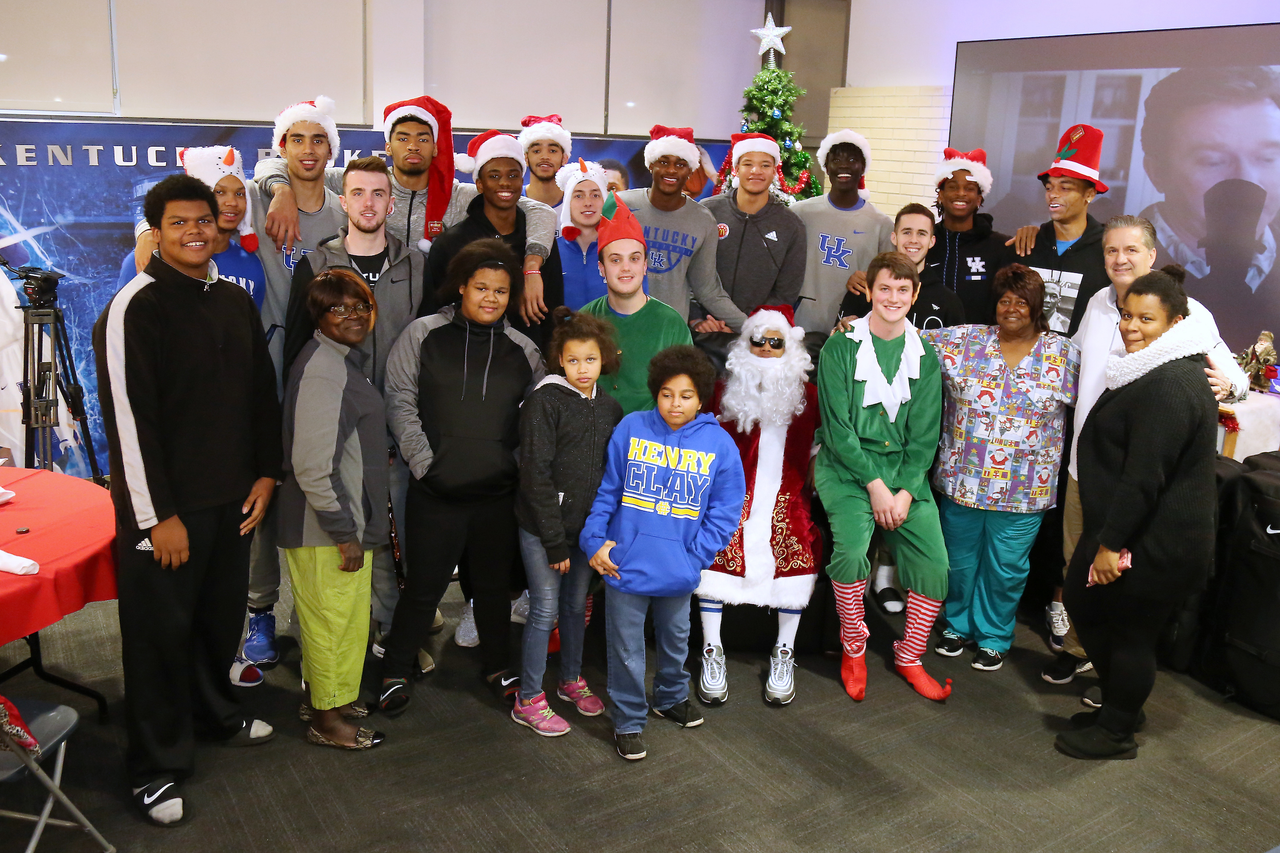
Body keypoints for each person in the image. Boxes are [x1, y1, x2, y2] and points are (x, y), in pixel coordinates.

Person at [93, 174, 281, 826]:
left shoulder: (230, 300)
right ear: (156, 232)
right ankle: (154, 765)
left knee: (215, 622)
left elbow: (260, 394)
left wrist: (266, 473)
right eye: (179, 222)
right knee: (159, 638)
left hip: (232, 499)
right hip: (166, 512)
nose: (196, 231)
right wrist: (156, 519)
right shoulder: (133, 307)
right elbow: (128, 424)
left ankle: (214, 713)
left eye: (204, 219)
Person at [1041, 215, 1248, 685]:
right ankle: (1079, 649)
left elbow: (1233, 376)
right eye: (1111, 250)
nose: (1120, 259)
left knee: (1122, 579)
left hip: (1135, 477)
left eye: (1131, 250)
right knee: (1078, 567)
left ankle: (1114, 675)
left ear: (1152, 255)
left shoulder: (1185, 310)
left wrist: (1228, 386)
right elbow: (1072, 359)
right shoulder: (1098, 303)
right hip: (1083, 468)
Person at [1055, 266, 1218, 760]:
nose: (1131, 327)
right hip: (1128, 527)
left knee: (1129, 633)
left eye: (1146, 319)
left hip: (1156, 541)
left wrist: (1110, 545)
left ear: (1175, 323)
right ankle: (1121, 706)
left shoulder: (1171, 382)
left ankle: (1117, 731)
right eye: (1127, 315)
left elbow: (1145, 477)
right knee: (1086, 606)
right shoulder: (1147, 367)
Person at [378, 238, 544, 714]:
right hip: (435, 491)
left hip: (496, 495)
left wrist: (511, 466)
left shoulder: (525, 351)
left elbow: (537, 419)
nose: (491, 298)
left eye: (501, 291)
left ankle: (497, 666)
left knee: (492, 588)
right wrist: (424, 463)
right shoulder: (422, 334)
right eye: (481, 287)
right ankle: (394, 670)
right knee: (423, 586)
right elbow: (400, 399)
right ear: (462, 287)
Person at [255, 97, 557, 324]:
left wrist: (531, 267)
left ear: (435, 147)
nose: (413, 146)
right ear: (388, 147)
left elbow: (541, 212)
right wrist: (282, 191)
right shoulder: (366, 182)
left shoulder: (457, 195)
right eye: (403, 138)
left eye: (422, 138)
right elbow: (275, 165)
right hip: (365, 313)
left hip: (432, 320)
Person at [581, 345, 746, 760]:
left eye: (686, 396)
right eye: (667, 394)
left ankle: (670, 697)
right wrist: (593, 540)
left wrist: (696, 556)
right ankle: (628, 720)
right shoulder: (632, 428)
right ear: (656, 392)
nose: (675, 404)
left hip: (679, 568)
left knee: (675, 640)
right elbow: (607, 491)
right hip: (625, 565)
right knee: (626, 650)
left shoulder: (719, 445)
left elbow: (726, 511)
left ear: (701, 398)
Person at [921, 265, 1080, 672]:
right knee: (958, 562)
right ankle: (956, 624)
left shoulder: (1065, 354)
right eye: (1005, 300)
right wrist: (855, 324)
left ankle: (994, 635)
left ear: (1038, 307)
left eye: (1022, 301)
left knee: (1006, 569)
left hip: (1024, 489)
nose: (1011, 308)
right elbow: (903, 339)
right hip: (963, 481)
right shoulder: (963, 340)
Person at [814, 252, 950, 703]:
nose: (893, 298)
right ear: (870, 291)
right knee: (852, 553)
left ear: (915, 295)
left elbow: (925, 436)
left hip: (905, 473)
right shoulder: (840, 347)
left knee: (934, 563)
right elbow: (838, 431)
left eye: (902, 290)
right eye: (884, 288)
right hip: (847, 469)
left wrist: (906, 492)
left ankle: (910, 655)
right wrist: (875, 488)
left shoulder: (925, 356)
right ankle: (854, 647)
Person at [276, 269, 389, 750]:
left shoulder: (338, 359)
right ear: (318, 316)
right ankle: (326, 721)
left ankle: (332, 699)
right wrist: (344, 532)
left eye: (360, 306)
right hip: (324, 528)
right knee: (329, 624)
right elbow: (312, 466)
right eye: (338, 308)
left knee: (343, 620)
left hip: (341, 524)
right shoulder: (325, 370)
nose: (353, 315)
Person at [695, 306, 821, 706]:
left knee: (798, 543)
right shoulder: (723, 392)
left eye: (775, 342)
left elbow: (822, 444)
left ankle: (785, 650)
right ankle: (711, 648)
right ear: (745, 344)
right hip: (734, 491)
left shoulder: (810, 397)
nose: (766, 348)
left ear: (789, 347)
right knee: (716, 542)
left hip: (788, 492)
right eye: (758, 340)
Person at [511, 308, 623, 736]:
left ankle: (570, 679)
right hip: (544, 530)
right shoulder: (544, 401)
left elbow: (611, 477)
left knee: (576, 606)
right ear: (560, 360)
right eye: (573, 360)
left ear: (603, 359)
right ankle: (528, 698)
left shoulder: (610, 408)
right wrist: (555, 542)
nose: (582, 368)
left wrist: (600, 532)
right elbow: (534, 475)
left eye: (590, 359)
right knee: (545, 608)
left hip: (585, 530)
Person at [1137, 66, 1280, 350]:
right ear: (1157, 172)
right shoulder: (1110, 262)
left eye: (1267, 158)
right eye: (1212, 161)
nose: (1247, 182)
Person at [426, 130, 564, 351]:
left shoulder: (537, 240)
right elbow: (435, 312)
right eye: (494, 176)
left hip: (529, 360)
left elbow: (553, 308)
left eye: (513, 175)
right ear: (479, 184)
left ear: (522, 180)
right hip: (464, 358)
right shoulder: (451, 243)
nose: (505, 183)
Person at [617, 125, 748, 332]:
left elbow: (708, 291)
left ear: (691, 170)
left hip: (671, 333)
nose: (671, 170)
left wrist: (753, 328)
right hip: (619, 327)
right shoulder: (620, 205)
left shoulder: (703, 220)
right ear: (650, 165)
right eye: (663, 162)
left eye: (680, 164)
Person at [581, 194, 694, 414]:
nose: (626, 268)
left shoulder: (671, 323)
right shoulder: (585, 320)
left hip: (653, 432)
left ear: (644, 265)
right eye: (615, 260)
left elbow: (686, 396)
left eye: (634, 259)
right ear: (602, 268)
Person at [117, 146, 265, 311]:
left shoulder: (251, 264)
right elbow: (121, 321)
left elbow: (251, 324)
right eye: (219, 192)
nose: (232, 202)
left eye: (239, 194)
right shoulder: (147, 258)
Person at [792, 129, 894, 363]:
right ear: (826, 167)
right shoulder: (801, 213)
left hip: (854, 327)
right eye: (836, 160)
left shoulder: (882, 224)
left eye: (852, 159)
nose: (844, 166)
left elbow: (889, 281)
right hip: (804, 324)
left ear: (863, 167)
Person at [1008, 124, 1110, 337]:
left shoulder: (1108, 250)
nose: (1053, 195)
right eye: (1049, 187)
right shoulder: (1027, 245)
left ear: (1089, 194)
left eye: (1065, 188)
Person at [701, 133, 807, 315]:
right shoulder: (707, 211)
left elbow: (786, 292)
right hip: (704, 324)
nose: (756, 171)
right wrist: (698, 317)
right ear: (736, 169)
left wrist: (749, 324)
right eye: (748, 164)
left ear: (774, 171)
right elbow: (690, 271)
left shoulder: (791, 226)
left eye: (765, 165)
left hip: (757, 328)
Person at [839, 203, 965, 331]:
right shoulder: (863, 288)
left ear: (932, 241)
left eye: (921, 233)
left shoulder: (948, 302)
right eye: (907, 232)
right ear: (894, 237)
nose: (913, 240)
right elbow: (840, 336)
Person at [928, 147, 1014, 323]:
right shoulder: (925, 243)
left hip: (980, 340)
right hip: (926, 337)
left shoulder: (1000, 247)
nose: (961, 193)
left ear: (979, 199)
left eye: (969, 188)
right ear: (941, 195)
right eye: (953, 187)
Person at [556, 159, 610, 310]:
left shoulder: (619, 249)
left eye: (595, 195)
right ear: (568, 203)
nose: (588, 203)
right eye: (579, 196)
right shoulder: (551, 251)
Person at [519, 114, 571, 209]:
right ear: (525, 158)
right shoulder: (512, 201)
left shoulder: (577, 203)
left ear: (565, 158)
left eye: (552, 151)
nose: (545, 157)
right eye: (536, 151)